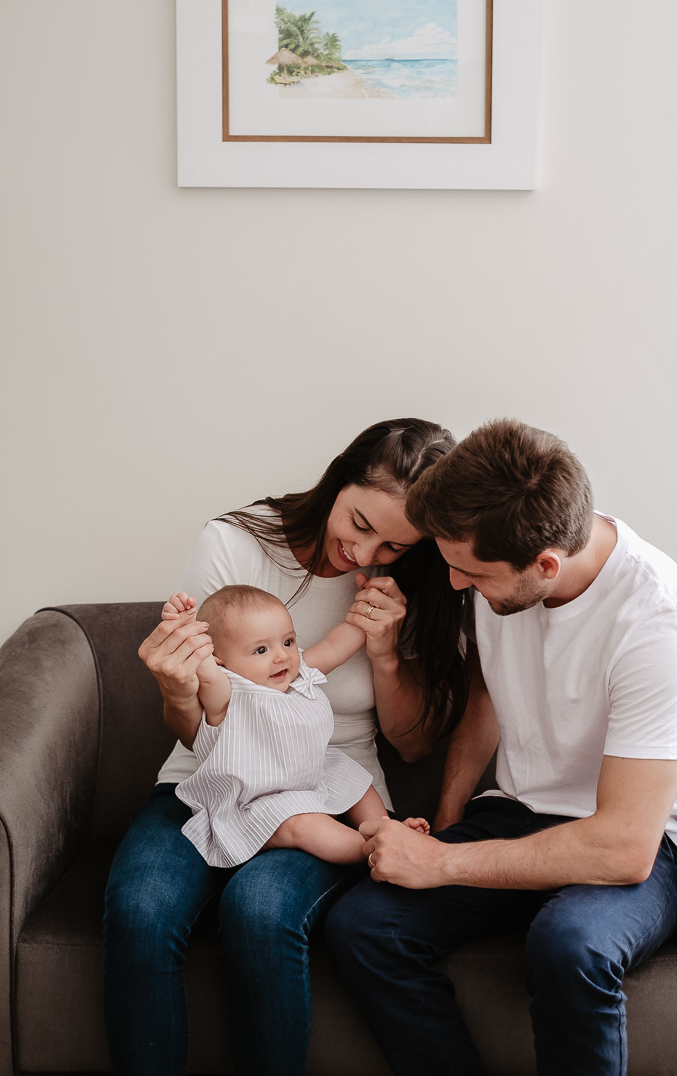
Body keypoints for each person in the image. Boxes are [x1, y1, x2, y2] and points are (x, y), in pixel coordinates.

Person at [325, 419, 677, 1076]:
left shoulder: (654, 623)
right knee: (365, 924)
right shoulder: (500, 562)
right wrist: (446, 826)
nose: (453, 585)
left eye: (470, 573)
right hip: (516, 811)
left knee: (569, 944)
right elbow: (488, 697)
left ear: (544, 566)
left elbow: (623, 848)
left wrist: (443, 865)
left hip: (640, 842)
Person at [103, 418, 467, 1076]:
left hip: (320, 790)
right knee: (138, 909)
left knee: (260, 911)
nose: (363, 552)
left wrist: (384, 652)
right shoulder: (233, 546)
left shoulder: (415, 583)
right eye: (359, 522)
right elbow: (195, 726)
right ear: (337, 478)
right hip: (211, 775)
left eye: (392, 543)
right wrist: (178, 691)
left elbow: (413, 746)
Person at [164, 586, 428, 867]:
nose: (281, 656)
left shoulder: (298, 675)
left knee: (356, 779)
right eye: (261, 649)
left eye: (288, 642)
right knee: (305, 826)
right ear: (219, 660)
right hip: (257, 802)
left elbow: (333, 647)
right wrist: (183, 627)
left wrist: (367, 615)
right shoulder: (226, 694)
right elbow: (204, 671)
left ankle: (384, 828)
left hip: (311, 778)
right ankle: (372, 851)